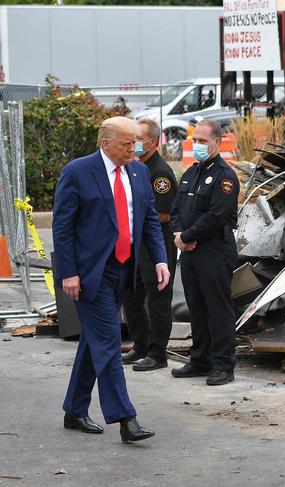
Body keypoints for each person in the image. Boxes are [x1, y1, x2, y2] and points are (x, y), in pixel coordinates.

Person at [52, 116, 170, 442]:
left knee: (94, 341)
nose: (134, 148)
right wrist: (69, 273)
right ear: (106, 143)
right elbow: (62, 228)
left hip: (125, 269)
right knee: (108, 342)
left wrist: (159, 258)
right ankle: (125, 418)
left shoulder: (139, 171)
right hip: (92, 273)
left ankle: (75, 409)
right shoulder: (78, 172)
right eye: (127, 143)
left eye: (136, 142)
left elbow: (147, 220)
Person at [170, 119, 239, 386]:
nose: (197, 145)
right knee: (196, 308)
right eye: (194, 140)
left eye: (202, 140)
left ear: (216, 143)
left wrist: (187, 236)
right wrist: (179, 235)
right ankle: (200, 359)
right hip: (189, 253)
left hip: (214, 252)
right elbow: (176, 209)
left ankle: (223, 364)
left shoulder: (224, 176)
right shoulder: (191, 173)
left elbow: (217, 215)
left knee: (217, 310)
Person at [122, 119, 178, 371]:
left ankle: (157, 353)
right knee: (132, 296)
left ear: (152, 142)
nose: (134, 145)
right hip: (136, 242)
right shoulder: (134, 168)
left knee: (157, 299)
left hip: (157, 242)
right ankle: (140, 344)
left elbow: (164, 214)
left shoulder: (160, 173)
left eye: (138, 139)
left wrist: (133, 215)